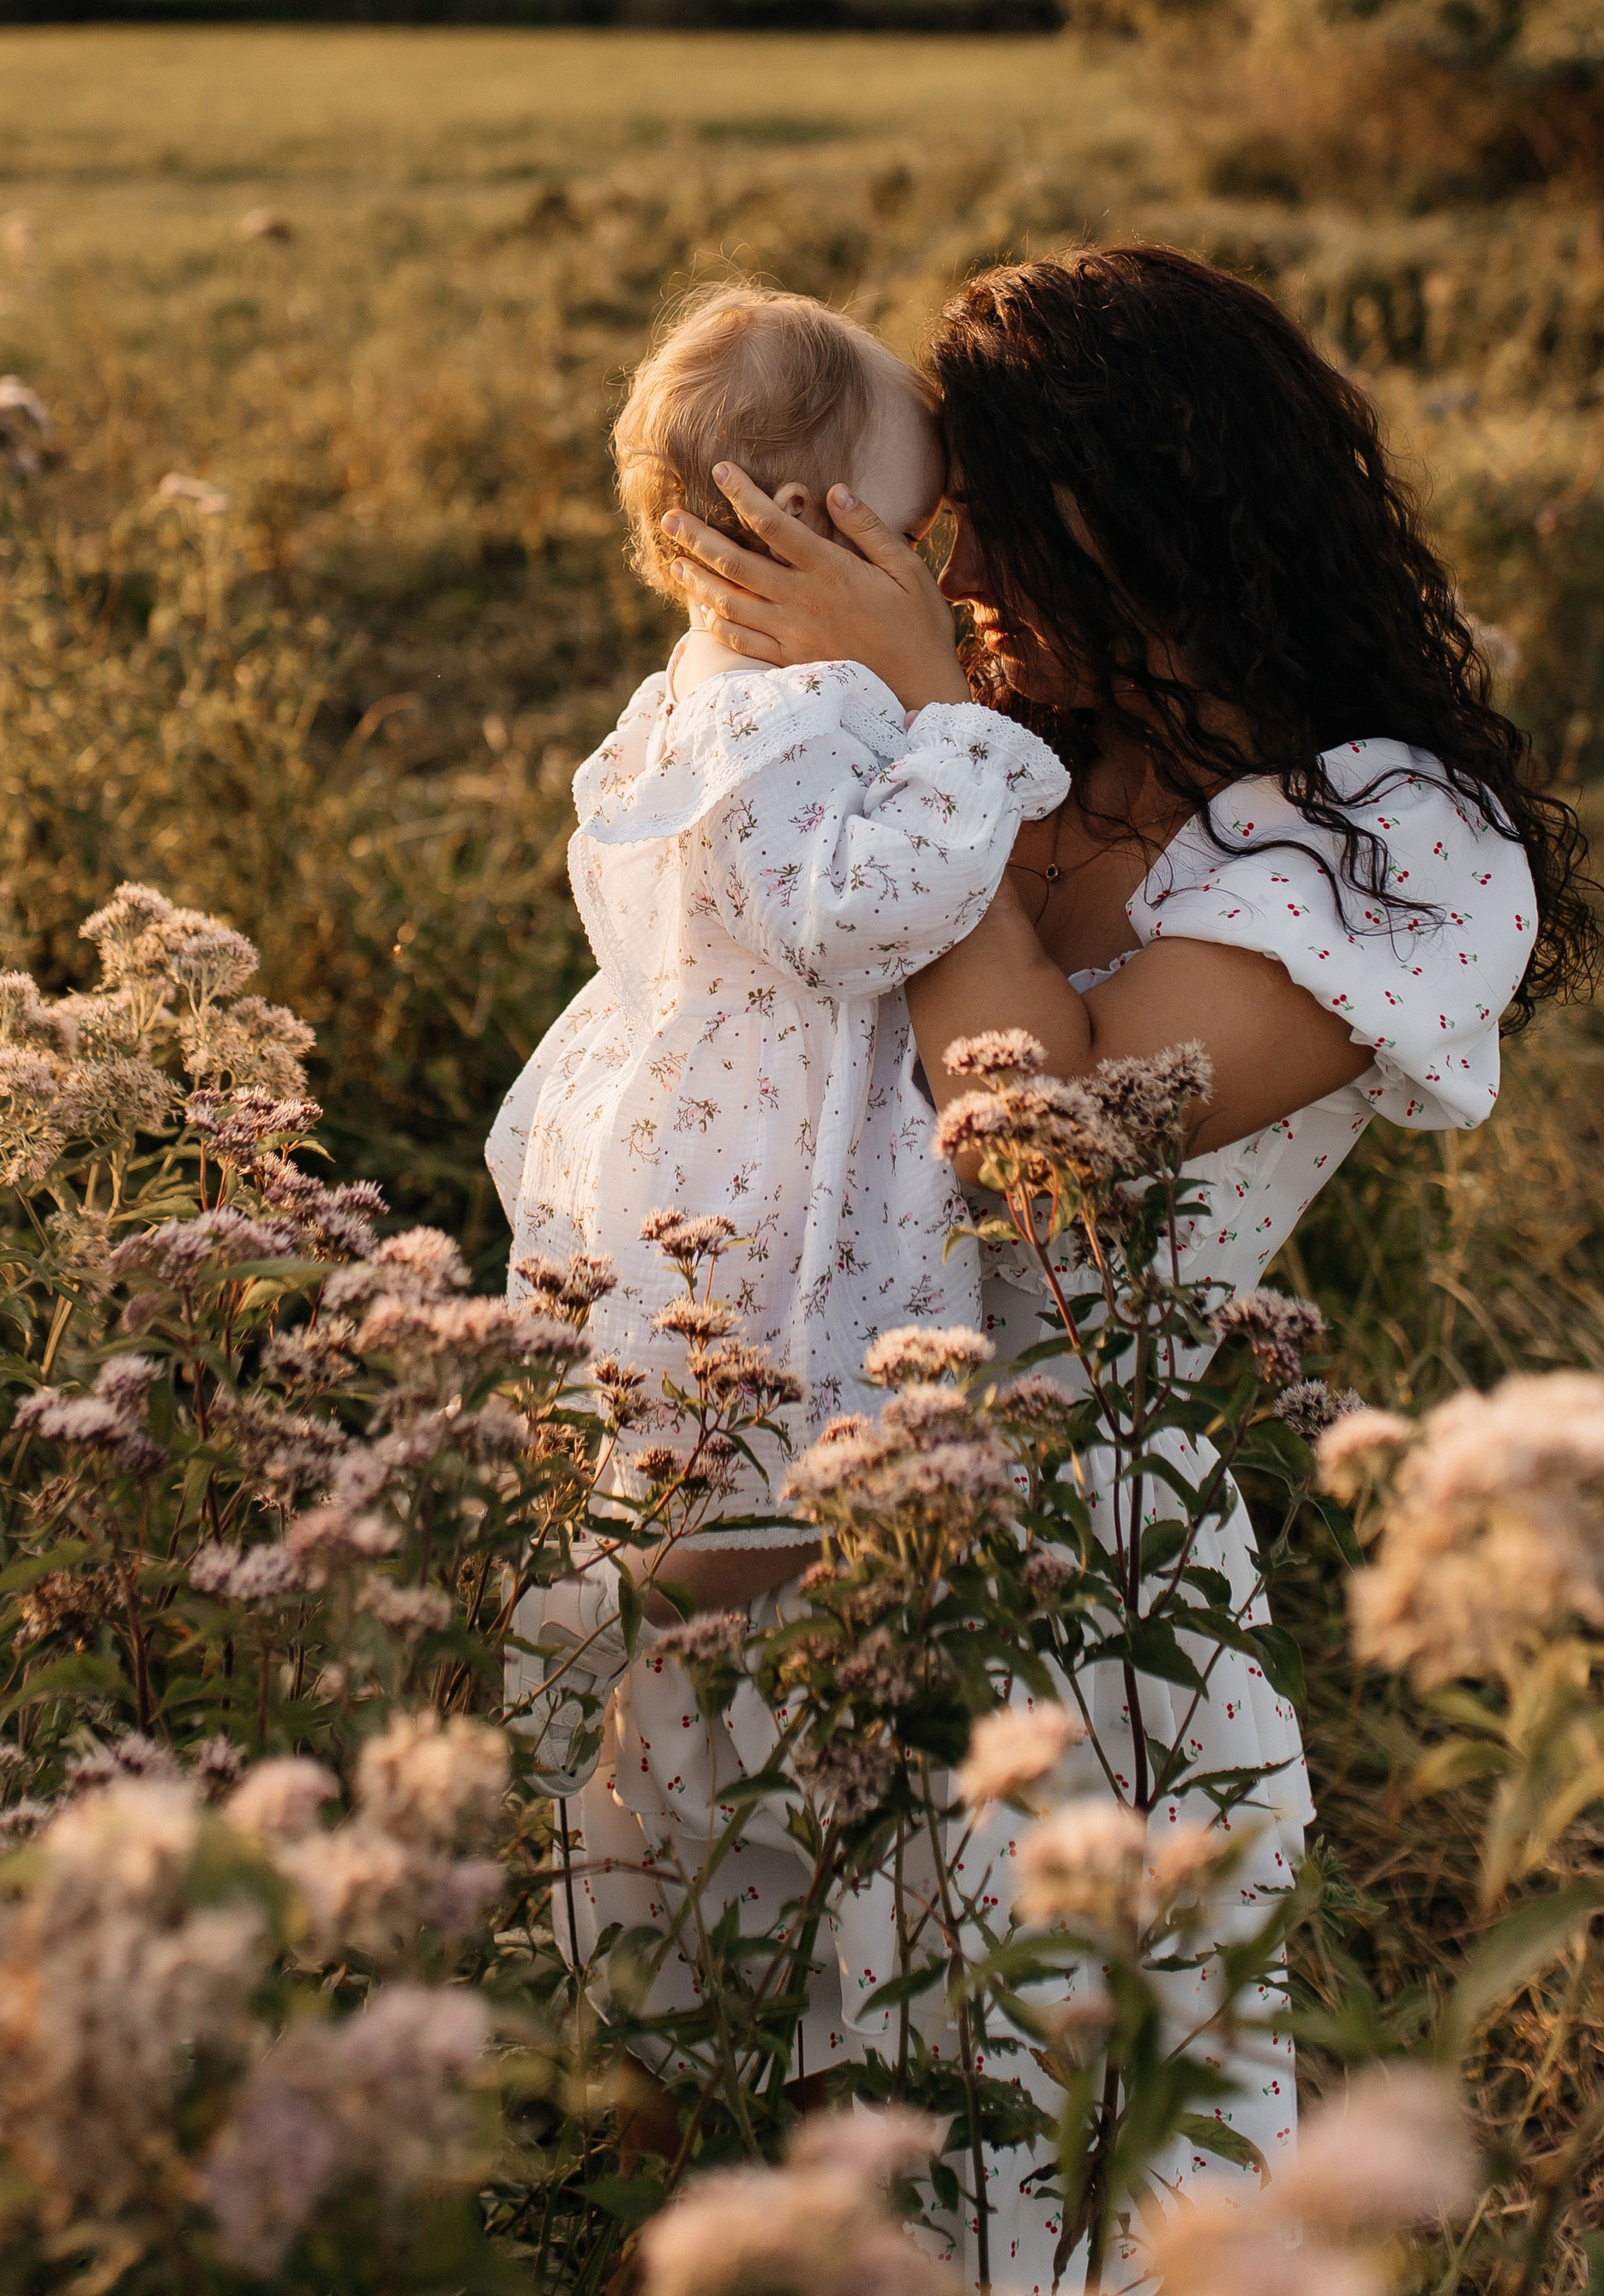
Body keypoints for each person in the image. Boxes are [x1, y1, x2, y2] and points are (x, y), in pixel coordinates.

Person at [658, 241, 1603, 2281]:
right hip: (742, 1493)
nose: (956, 559)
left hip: (1075, 1596)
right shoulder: (969, 739)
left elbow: (1043, 1139)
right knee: (725, 2131)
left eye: (996, 504)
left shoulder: (1382, 837)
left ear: (1148, 505)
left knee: (1056, 2168)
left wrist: (930, 724)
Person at [486, 283, 1070, 2037]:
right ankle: (736, 1729)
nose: (945, 542)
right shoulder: (809, 714)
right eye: (913, 517)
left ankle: (675, 1752)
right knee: (787, 1435)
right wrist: (959, 722)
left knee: (693, 1463)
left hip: (678, 1108)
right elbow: (853, 916)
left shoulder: (688, 692)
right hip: (769, 1148)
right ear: (797, 538)